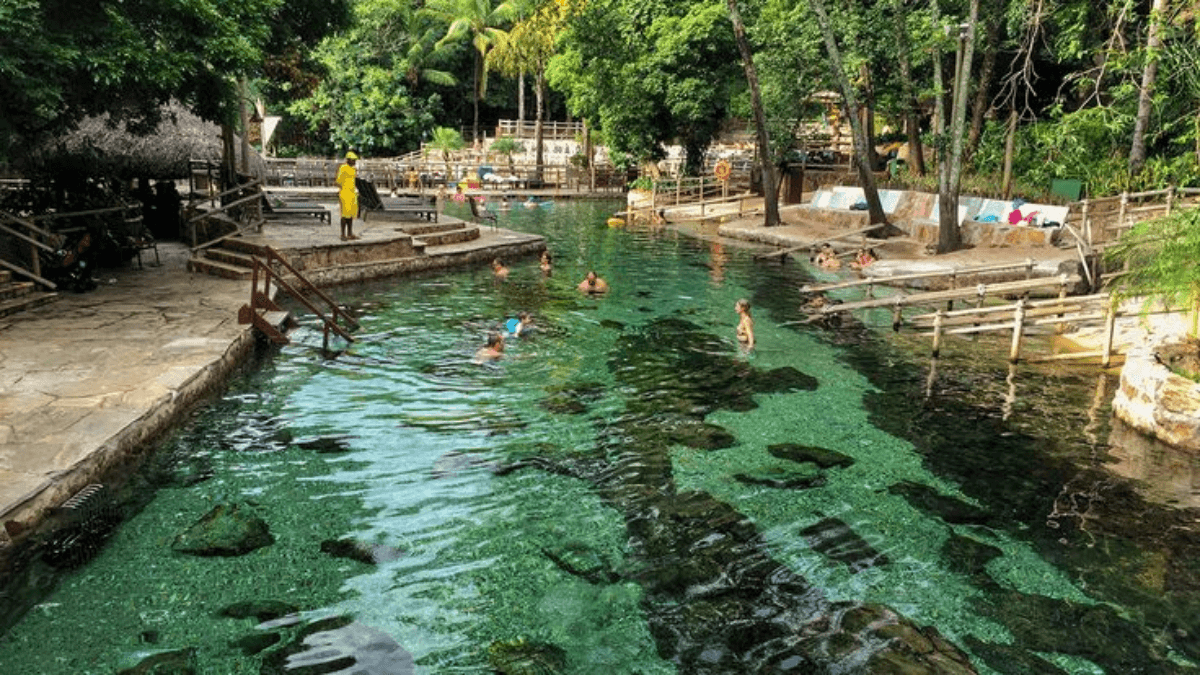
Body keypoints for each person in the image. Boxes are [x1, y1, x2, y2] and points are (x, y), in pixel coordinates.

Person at [336, 151, 359, 240]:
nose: (354, 162)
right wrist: (342, 191)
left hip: (352, 193)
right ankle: (342, 234)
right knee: (345, 215)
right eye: (353, 160)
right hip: (345, 193)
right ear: (348, 160)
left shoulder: (353, 169)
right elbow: (339, 181)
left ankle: (350, 233)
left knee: (351, 214)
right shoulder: (343, 168)